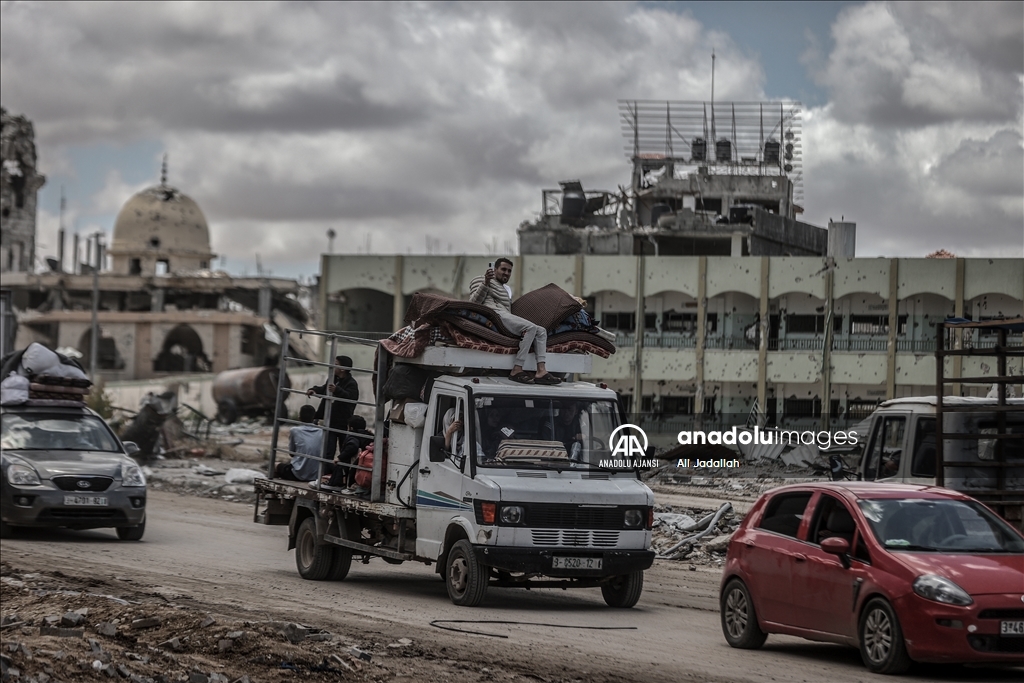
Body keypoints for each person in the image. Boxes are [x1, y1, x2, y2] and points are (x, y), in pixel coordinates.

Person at [468, 258, 559, 385]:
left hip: (505, 315)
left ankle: (541, 371)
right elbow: (473, 304)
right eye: (503, 269)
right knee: (530, 328)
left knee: (541, 331)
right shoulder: (480, 280)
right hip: (494, 314)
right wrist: (486, 282)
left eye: (509, 271)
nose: (506, 273)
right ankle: (517, 369)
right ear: (495, 270)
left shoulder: (504, 289)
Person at [306, 355, 359, 461]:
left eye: (335, 364)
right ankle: (326, 473)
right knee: (328, 450)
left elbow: (350, 397)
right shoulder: (333, 379)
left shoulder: (351, 383)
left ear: (343, 369)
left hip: (343, 421)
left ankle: (343, 474)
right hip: (330, 420)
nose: (332, 366)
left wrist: (337, 390)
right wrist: (314, 390)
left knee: (344, 450)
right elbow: (325, 389)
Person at [274, 404, 323, 482]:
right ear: (314, 418)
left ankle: (273, 492)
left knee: (275, 465)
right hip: (316, 475)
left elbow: (291, 453)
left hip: (297, 474)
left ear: (299, 417)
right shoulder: (322, 431)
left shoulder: (295, 430)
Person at [324, 415, 373, 488]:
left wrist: (339, 458)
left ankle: (337, 484)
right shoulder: (368, 436)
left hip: (352, 470)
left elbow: (352, 447)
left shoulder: (353, 436)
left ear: (351, 428)